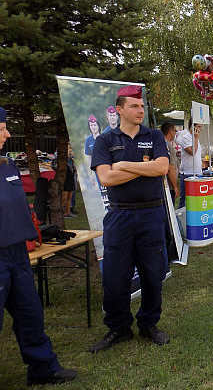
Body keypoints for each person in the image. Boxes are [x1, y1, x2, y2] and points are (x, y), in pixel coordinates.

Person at [89, 85, 170, 353]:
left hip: (151, 213)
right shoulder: (105, 141)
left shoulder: (154, 135)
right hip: (120, 214)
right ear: (120, 109)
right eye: (134, 106)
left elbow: (162, 167)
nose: (140, 110)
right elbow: (106, 177)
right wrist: (144, 169)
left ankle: (148, 324)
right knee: (115, 277)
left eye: (142, 106)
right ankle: (119, 328)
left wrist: (123, 165)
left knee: (152, 273)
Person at [0, 106, 77, 385]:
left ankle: (43, 369)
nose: (7, 134)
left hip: (18, 255)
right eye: (1, 129)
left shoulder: (6, 165)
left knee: (30, 316)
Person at [176, 118, 203, 209]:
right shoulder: (186, 138)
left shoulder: (196, 139)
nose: (200, 129)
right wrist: (196, 138)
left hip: (197, 172)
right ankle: (180, 219)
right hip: (188, 173)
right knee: (184, 199)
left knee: (196, 199)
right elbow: (192, 152)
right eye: (198, 126)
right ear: (192, 127)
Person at [161, 122, 179, 205]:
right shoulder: (168, 146)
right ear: (170, 132)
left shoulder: (160, 144)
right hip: (169, 186)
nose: (175, 133)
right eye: (175, 131)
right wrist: (175, 187)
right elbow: (170, 169)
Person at [62, 143, 77, 218]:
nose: (70, 149)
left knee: (70, 196)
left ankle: (67, 212)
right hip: (64, 176)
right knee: (64, 196)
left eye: (70, 147)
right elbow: (53, 164)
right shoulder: (59, 154)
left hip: (71, 175)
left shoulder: (71, 156)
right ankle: (61, 211)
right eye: (68, 147)